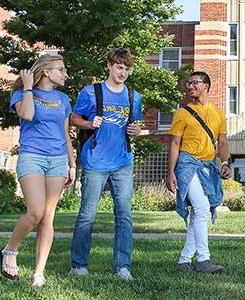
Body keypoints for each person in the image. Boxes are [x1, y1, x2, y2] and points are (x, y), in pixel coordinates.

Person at [0, 54, 75, 287]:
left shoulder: (63, 99)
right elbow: (28, 115)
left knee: (48, 218)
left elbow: (65, 134)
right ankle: (10, 250)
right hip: (32, 156)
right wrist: (29, 88)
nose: (65, 74)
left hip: (58, 159)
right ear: (46, 72)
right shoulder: (21, 94)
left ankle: (38, 274)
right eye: (61, 69)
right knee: (35, 212)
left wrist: (72, 164)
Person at [69, 48, 142, 281]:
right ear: (110, 65)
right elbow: (74, 118)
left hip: (123, 162)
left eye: (127, 68)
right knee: (87, 215)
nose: (123, 72)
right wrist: (90, 123)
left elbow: (135, 126)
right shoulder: (91, 92)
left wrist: (136, 130)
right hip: (95, 161)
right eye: (119, 67)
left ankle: (123, 267)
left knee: (124, 215)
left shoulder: (133, 96)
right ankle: (78, 265)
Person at [167, 71, 231, 274]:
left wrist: (225, 162)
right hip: (187, 164)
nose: (190, 87)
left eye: (194, 83)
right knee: (202, 207)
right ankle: (204, 260)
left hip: (208, 165)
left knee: (198, 213)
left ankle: (184, 260)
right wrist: (170, 172)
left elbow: (221, 142)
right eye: (188, 84)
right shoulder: (182, 113)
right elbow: (175, 143)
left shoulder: (218, 113)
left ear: (206, 86)